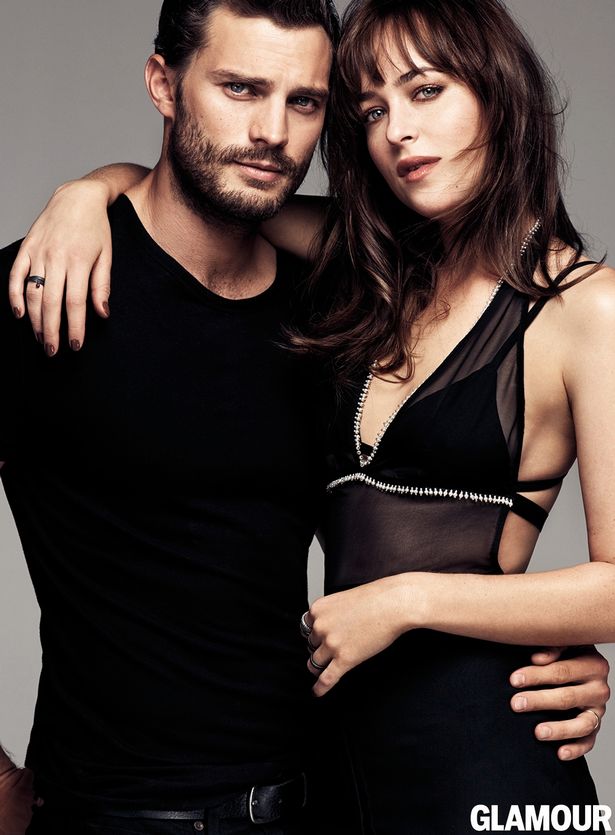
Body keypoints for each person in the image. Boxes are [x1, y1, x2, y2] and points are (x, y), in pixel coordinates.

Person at [3, 0, 612, 833]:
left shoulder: (571, 307)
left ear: (498, 93)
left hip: (450, 758)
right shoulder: (365, 273)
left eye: (425, 91)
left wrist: (408, 602)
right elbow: (201, 192)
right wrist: (85, 191)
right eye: (371, 110)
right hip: (303, 770)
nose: (397, 131)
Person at [0, 1, 338, 833]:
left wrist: (546, 656)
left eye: (303, 101)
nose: (272, 132)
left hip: (312, 800)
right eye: (239, 88)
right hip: (109, 810)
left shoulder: (331, 304)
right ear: (163, 82)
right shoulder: (44, 285)